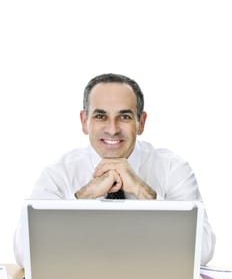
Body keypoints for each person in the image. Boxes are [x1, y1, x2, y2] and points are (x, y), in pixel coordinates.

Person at [14, 73, 216, 266]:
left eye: (125, 117)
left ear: (141, 123)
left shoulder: (173, 168)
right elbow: (23, 253)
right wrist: (82, 198)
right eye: (100, 116)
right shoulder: (59, 173)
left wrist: (145, 194)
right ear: (84, 122)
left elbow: (204, 252)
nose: (112, 129)